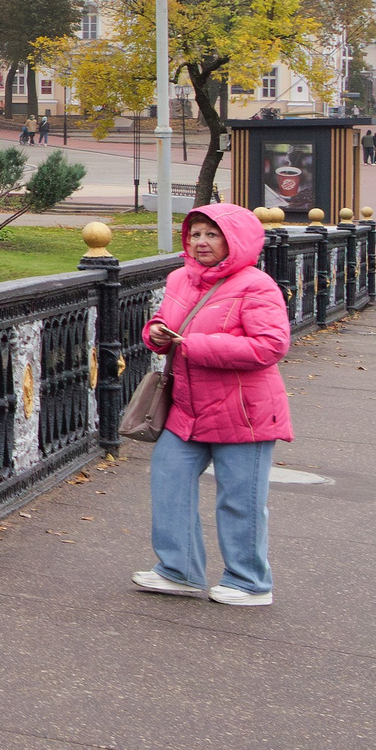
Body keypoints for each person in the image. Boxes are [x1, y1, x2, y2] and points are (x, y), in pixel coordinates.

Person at [134, 203, 291, 606]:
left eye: (212, 234)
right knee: (168, 481)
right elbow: (162, 320)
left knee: (240, 499)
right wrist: (156, 334)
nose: (201, 242)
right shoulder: (180, 279)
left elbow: (271, 345)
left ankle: (249, 582)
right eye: (196, 234)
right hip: (186, 408)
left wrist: (193, 346)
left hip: (244, 410)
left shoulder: (257, 285)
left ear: (234, 240)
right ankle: (179, 570)